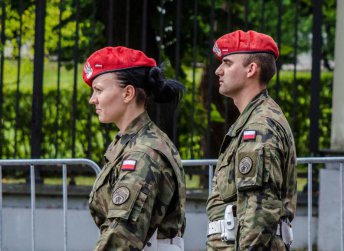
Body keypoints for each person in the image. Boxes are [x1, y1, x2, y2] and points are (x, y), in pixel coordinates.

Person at [83, 46, 186, 251]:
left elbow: (121, 238)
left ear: (128, 93)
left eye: (99, 90)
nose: (92, 99)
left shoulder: (142, 153)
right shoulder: (133, 142)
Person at [206, 30, 297, 250]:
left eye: (227, 63)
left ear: (251, 69)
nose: (219, 70)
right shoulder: (252, 120)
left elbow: (260, 212)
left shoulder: (258, 127)